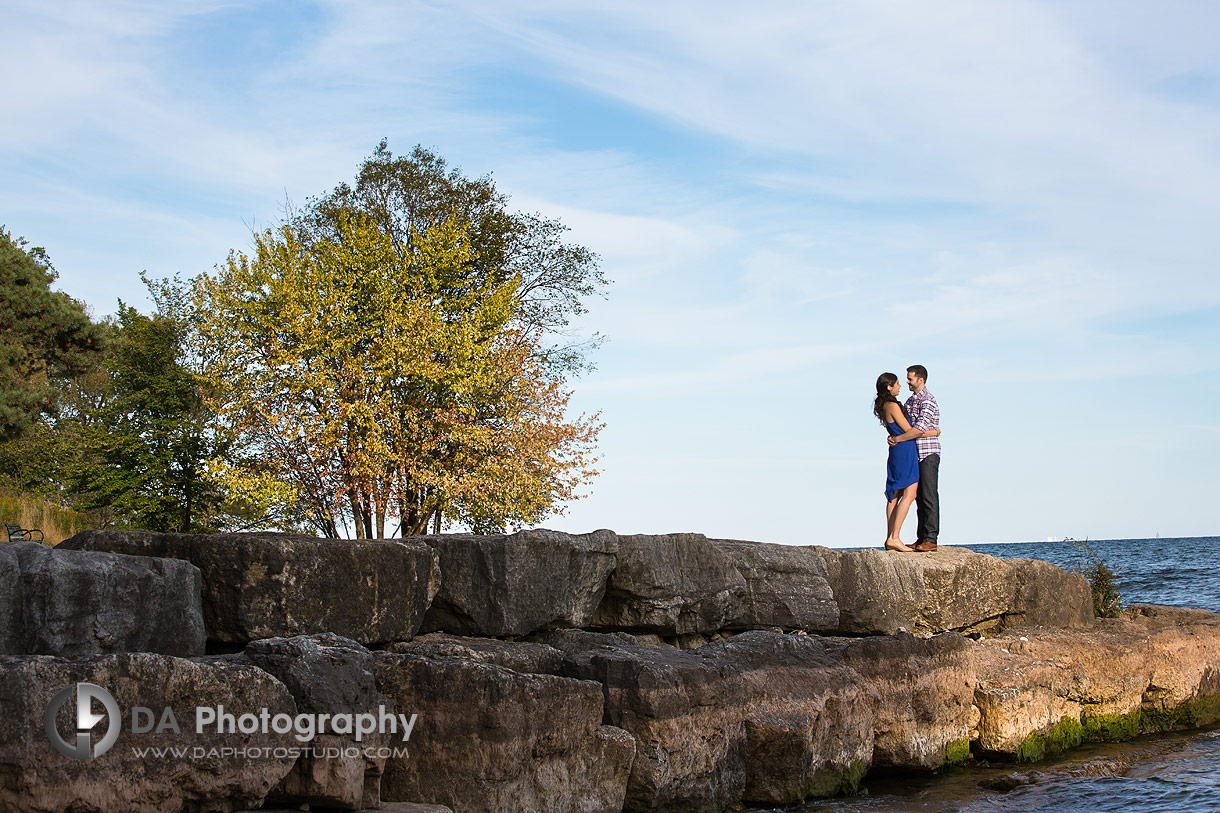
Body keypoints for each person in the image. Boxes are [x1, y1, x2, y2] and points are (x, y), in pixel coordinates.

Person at [888, 364, 940, 551]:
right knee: (918, 497)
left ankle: (930, 537)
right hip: (913, 454)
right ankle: (921, 537)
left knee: (929, 495)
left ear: (921, 379)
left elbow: (918, 430)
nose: (907, 382)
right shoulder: (910, 402)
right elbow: (909, 427)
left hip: (928, 452)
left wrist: (898, 438)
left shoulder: (927, 401)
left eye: (910, 379)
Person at [874, 372, 920, 552]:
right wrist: (934, 432)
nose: (900, 386)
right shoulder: (892, 405)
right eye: (898, 384)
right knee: (910, 492)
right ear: (889, 387)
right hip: (904, 449)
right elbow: (910, 430)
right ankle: (895, 537)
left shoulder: (885, 405)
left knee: (895, 493)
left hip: (897, 450)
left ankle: (890, 537)